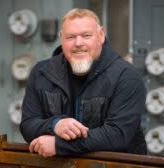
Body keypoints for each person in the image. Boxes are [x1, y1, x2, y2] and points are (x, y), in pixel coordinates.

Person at [20, 8, 147, 157]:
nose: (78, 43)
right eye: (70, 37)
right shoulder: (42, 72)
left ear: (101, 35)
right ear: (61, 38)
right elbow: (27, 124)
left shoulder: (126, 77)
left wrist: (59, 145)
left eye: (86, 35)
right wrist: (55, 124)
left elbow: (117, 135)